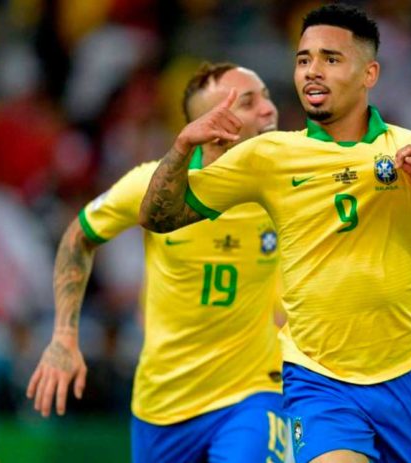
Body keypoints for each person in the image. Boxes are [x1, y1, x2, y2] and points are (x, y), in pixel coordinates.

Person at [139, 4, 411, 463]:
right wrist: (182, 147)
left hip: (409, 375)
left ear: (369, 73)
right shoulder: (270, 155)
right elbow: (159, 216)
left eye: (330, 59)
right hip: (318, 379)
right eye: (303, 60)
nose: (312, 72)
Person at [26, 62, 290, 463]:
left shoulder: (286, 187)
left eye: (267, 97)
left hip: (252, 392)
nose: (269, 110)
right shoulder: (151, 187)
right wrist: (64, 336)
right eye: (250, 102)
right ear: (213, 123)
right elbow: (79, 237)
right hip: (163, 401)